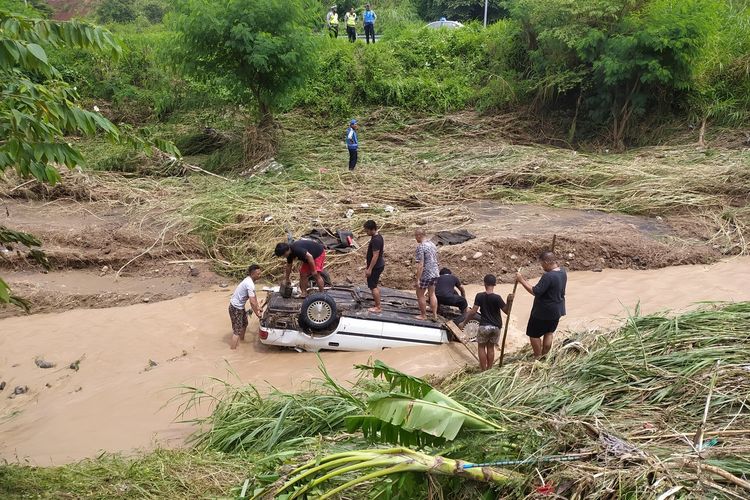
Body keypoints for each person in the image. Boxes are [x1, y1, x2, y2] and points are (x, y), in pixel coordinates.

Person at [516, 251, 567, 359]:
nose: (541, 266)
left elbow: (536, 291)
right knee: (549, 332)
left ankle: (538, 356)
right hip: (557, 310)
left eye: (542, 264)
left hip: (542, 312)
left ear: (547, 262)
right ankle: (545, 355)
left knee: (533, 334)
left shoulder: (548, 276)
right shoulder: (563, 272)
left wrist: (521, 280)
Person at [459, 274, 513, 371]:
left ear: (484, 283)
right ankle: (490, 368)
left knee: (481, 347)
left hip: (484, 326)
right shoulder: (497, 298)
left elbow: (473, 312)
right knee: (491, 348)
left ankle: (484, 370)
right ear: (494, 284)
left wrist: (464, 322)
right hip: (496, 327)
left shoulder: (479, 296)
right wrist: (509, 301)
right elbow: (507, 311)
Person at [228, 264, 263, 349]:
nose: (260, 275)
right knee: (237, 330)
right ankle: (233, 350)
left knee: (244, 324)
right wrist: (257, 314)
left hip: (240, 307)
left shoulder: (249, 281)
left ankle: (241, 341)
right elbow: (252, 302)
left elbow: (254, 296)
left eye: (260, 273)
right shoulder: (249, 284)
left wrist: (258, 307)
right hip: (235, 308)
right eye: (258, 274)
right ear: (252, 274)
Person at [414, 228, 440, 322]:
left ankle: (423, 315)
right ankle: (435, 315)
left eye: (415, 236)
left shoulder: (421, 247)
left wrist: (417, 279)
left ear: (419, 235)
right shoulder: (432, 244)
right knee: (432, 294)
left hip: (426, 273)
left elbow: (421, 265)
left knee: (420, 294)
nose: (415, 238)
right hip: (435, 272)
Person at [364, 219, 385, 313]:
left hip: (376, 267)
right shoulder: (377, 236)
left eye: (367, 230)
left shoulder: (376, 240)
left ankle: (378, 307)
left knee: (373, 286)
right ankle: (377, 304)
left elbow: (375, 255)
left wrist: (369, 269)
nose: (366, 232)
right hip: (378, 265)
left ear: (372, 229)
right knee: (374, 285)